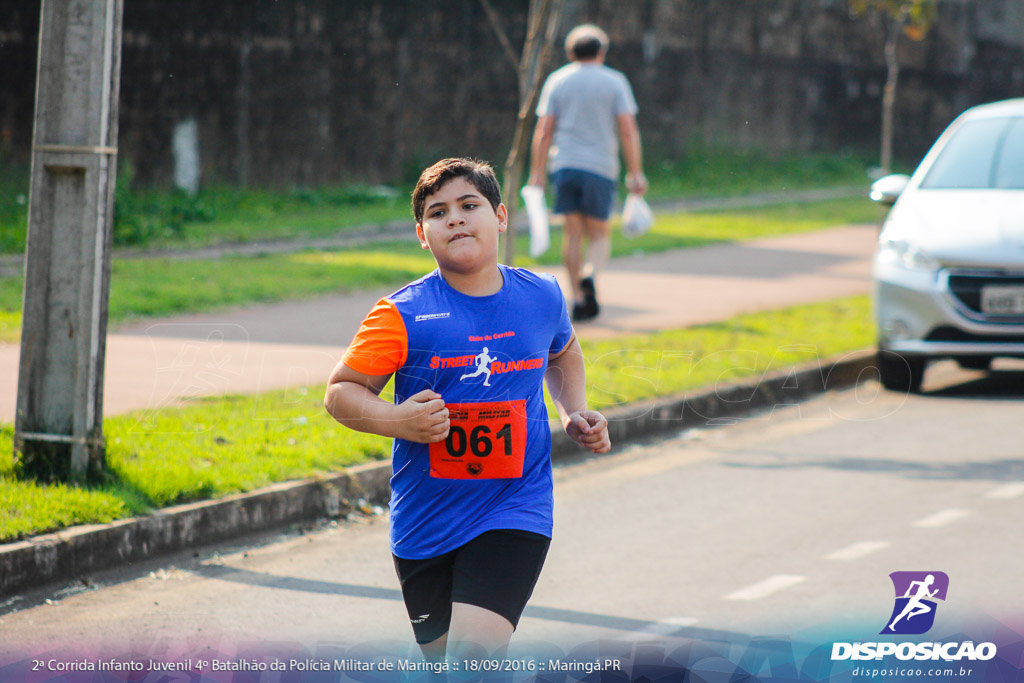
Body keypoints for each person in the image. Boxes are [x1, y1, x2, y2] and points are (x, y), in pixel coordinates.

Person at [324, 158, 611, 663]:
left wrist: (574, 409)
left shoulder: (541, 294)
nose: (454, 218)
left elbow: (561, 350)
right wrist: (399, 421)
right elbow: (341, 392)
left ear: (500, 216)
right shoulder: (401, 314)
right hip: (425, 521)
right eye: (439, 212)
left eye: (468, 205)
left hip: (514, 506)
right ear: (422, 234)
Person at [528, 23, 647, 322]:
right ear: (602, 51)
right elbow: (628, 130)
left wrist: (537, 173)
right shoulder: (615, 81)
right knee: (599, 235)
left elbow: (543, 131)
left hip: (564, 167)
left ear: (570, 52)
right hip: (600, 169)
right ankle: (590, 275)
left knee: (572, 233)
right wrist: (636, 172)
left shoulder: (557, 80)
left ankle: (578, 299)